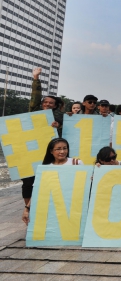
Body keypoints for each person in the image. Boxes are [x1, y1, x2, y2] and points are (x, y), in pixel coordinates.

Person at [24, 67, 63, 205]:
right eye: (45, 102)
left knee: (47, 180)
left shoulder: (60, 117)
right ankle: (27, 209)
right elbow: (35, 96)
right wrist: (36, 79)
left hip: (49, 154)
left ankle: (45, 205)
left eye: (50, 103)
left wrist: (58, 126)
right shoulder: (34, 112)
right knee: (28, 183)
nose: (47, 104)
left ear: (55, 106)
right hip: (31, 152)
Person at [22, 138, 83, 225]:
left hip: (74, 206)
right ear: (51, 151)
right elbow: (38, 190)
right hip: (53, 207)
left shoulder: (76, 163)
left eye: (65, 148)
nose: (62, 151)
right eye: (58, 149)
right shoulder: (46, 168)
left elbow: (86, 184)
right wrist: (26, 209)